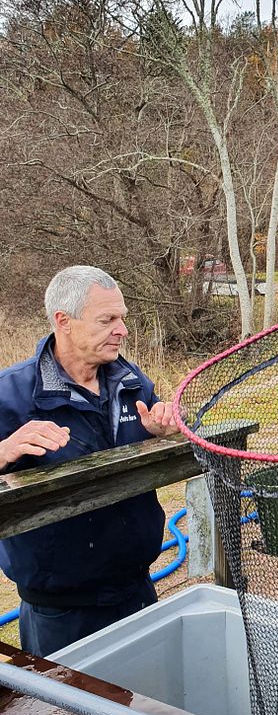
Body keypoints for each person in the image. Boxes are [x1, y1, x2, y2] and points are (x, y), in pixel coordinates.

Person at [0, 265, 181, 656]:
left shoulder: (131, 380)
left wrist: (162, 431)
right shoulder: (11, 394)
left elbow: (157, 428)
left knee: (146, 704)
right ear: (64, 321)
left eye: (123, 319)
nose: (123, 330)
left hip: (136, 587)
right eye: (108, 319)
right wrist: (2, 452)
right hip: (61, 610)